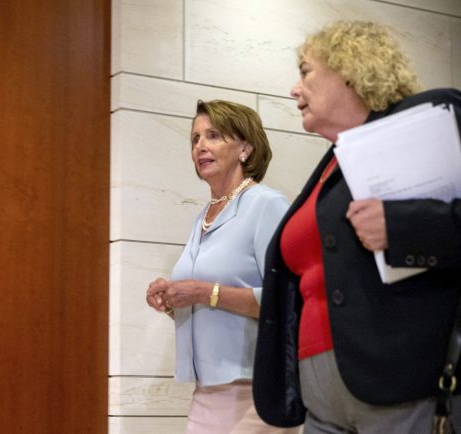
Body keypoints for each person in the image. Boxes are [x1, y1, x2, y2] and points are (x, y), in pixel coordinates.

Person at [253, 20, 461, 433]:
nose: (295, 89)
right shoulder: (334, 162)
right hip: (320, 395)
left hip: (402, 385)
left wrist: (402, 228)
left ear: (350, 68)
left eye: (305, 72)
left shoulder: (433, 117)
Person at [146, 99, 294, 433]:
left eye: (213, 135)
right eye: (195, 138)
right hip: (206, 392)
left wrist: (203, 292)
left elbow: (285, 299)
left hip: (255, 392)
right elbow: (212, 306)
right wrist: (173, 302)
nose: (200, 146)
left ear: (246, 147)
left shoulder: (265, 205)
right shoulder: (204, 216)